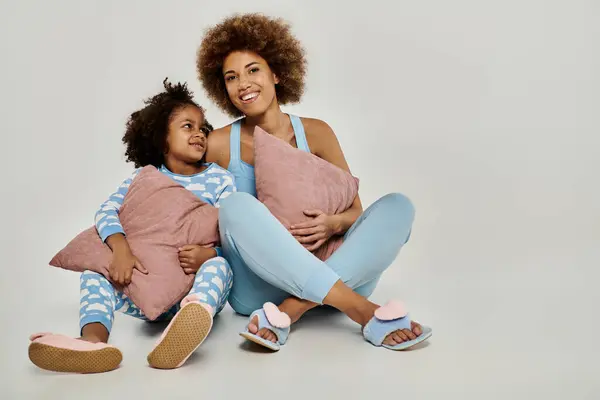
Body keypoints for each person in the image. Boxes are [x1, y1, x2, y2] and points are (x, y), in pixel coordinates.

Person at [196, 13, 432, 351]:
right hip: (258, 288)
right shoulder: (218, 143)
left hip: (336, 268)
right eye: (231, 77)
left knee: (398, 206)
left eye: (253, 70)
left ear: (276, 73)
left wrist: (332, 223)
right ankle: (361, 310)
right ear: (223, 88)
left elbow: (355, 212)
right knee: (234, 206)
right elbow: (197, 211)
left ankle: (290, 311)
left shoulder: (317, 132)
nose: (243, 83)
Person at [28, 79, 235, 373]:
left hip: (192, 286)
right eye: (188, 126)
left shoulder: (220, 179)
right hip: (143, 289)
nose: (199, 133)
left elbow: (233, 230)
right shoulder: (144, 178)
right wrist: (121, 249)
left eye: (203, 128)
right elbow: (107, 211)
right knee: (94, 274)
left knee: (220, 269)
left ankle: (187, 327)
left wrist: (210, 255)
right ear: (162, 138)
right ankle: (92, 341)